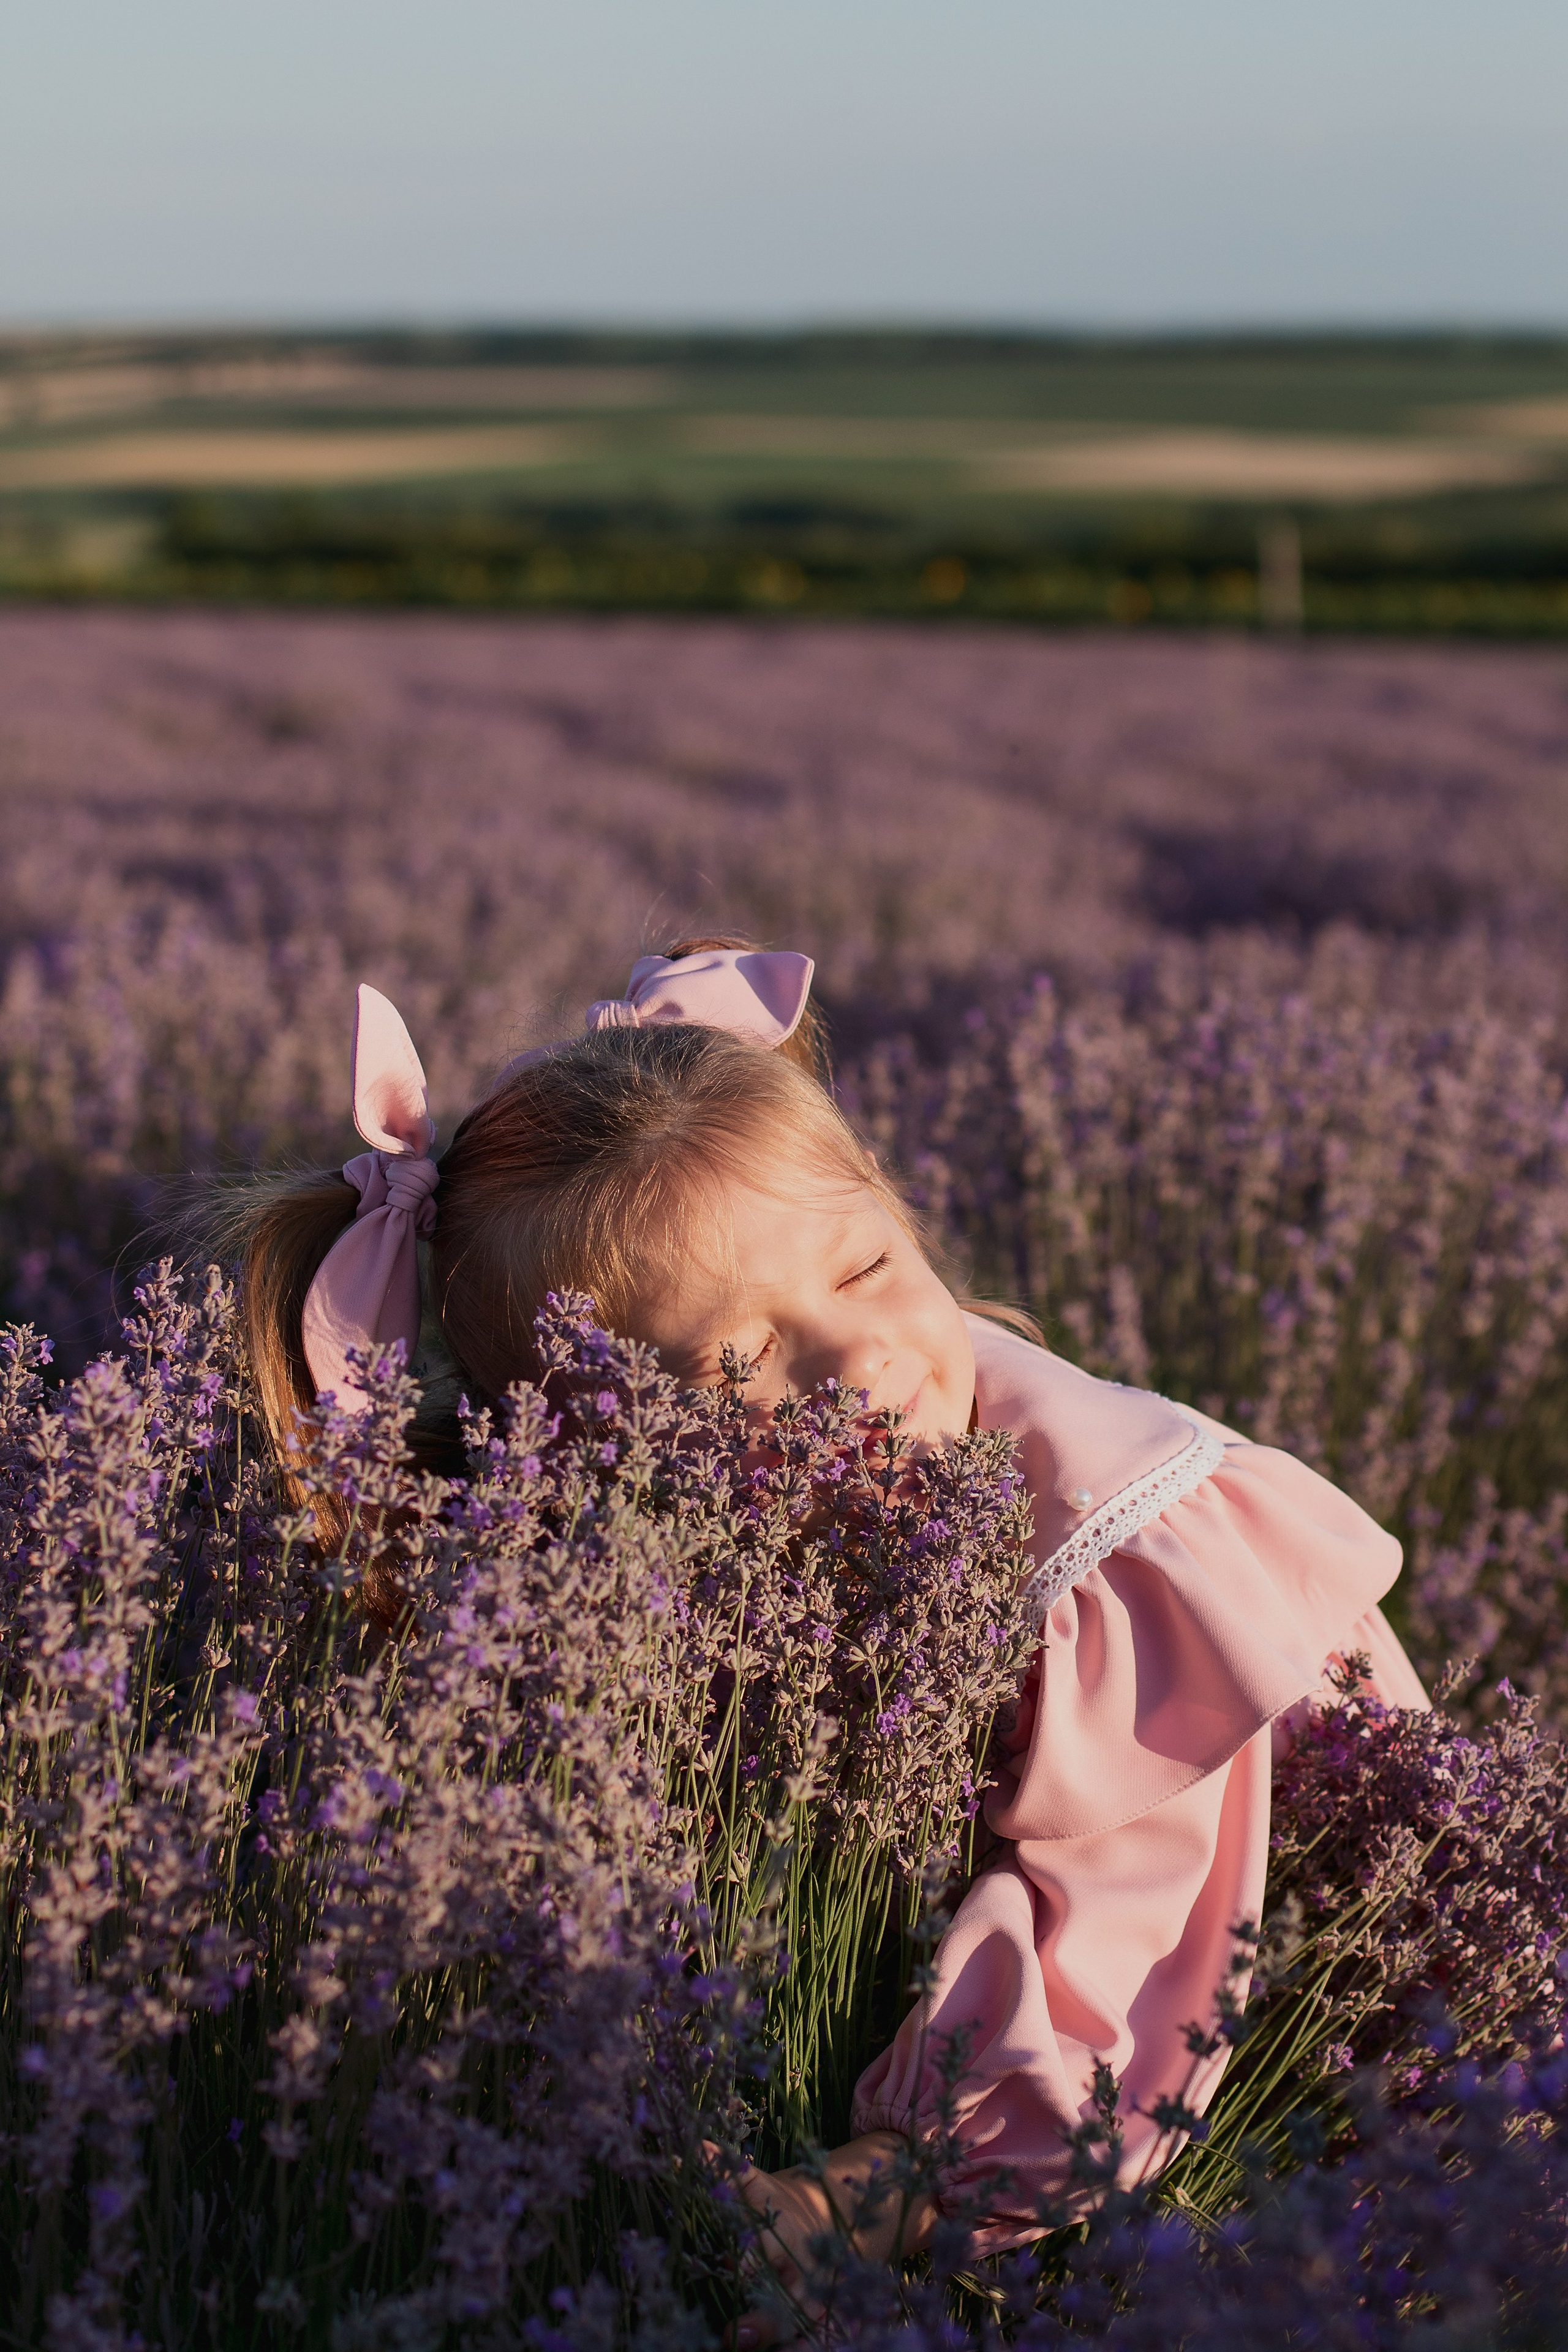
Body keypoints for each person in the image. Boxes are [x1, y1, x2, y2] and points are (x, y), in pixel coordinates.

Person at [233, 936, 1428, 2302]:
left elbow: (1132, 1958)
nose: (859, 1354)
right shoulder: (618, 1562)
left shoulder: (1113, 1560)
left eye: (865, 1269)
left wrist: (882, 2185)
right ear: (589, 1456)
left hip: (1330, 2036)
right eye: (736, 1360)